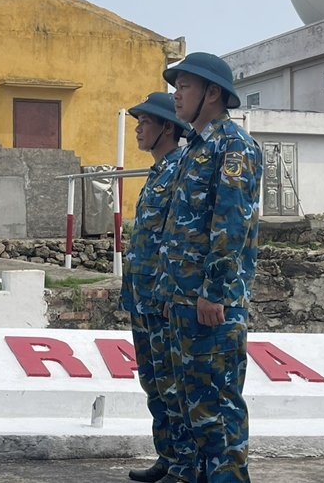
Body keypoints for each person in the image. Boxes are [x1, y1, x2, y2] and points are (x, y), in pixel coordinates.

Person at [158, 52, 262, 483]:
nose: (176, 95)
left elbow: (230, 223)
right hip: (183, 300)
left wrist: (213, 292)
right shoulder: (192, 151)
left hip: (210, 303)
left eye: (184, 86)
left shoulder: (232, 146)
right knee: (191, 409)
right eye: (176, 86)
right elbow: (179, 229)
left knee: (217, 412)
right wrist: (170, 294)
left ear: (212, 92)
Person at [120, 92, 196, 483]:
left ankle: (185, 466)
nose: (138, 127)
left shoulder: (180, 168)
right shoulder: (158, 172)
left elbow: (181, 236)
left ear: (168, 127)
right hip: (142, 297)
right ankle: (167, 457)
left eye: (145, 121)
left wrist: (173, 291)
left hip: (163, 298)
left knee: (173, 386)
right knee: (153, 383)